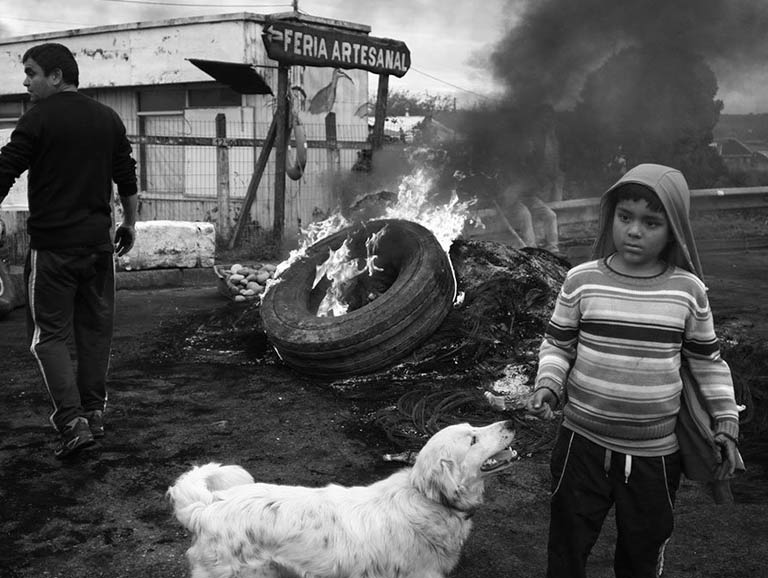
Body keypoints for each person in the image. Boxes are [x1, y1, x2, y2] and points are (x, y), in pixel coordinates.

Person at [525, 163, 741, 577]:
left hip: (654, 456)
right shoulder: (580, 281)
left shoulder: (687, 291)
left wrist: (725, 419)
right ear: (611, 218)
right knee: (567, 545)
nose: (634, 231)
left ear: (673, 228)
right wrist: (548, 384)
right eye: (625, 217)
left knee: (642, 552)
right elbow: (558, 343)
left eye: (651, 222)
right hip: (580, 444)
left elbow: (706, 362)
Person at [0, 43, 138, 459]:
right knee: (95, 334)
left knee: (49, 338)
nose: (25, 82)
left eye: (31, 73)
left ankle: (73, 424)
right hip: (98, 248)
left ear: (56, 76)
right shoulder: (108, 118)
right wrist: (129, 224)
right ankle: (94, 415)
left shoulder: (37, 118)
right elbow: (126, 177)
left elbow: (4, 170)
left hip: (54, 252)